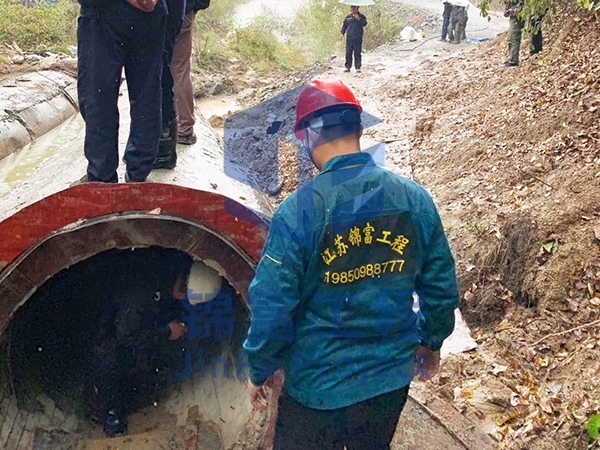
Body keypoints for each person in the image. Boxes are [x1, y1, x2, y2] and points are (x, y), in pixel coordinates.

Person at [243, 78, 459, 450]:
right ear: (359, 128)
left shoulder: (298, 212)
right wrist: (431, 342)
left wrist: (259, 368)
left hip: (317, 389)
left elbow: (272, 305)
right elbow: (440, 288)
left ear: (308, 137)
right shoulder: (414, 199)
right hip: (388, 383)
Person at [90, 250, 191, 436]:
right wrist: (167, 332)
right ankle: (110, 413)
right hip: (110, 339)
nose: (183, 294)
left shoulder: (166, 281)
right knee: (111, 363)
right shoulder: (140, 293)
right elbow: (127, 336)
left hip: (134, 327)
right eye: (183, 287)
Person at [77, 0, 167, 182]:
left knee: (98, 96)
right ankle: (138, 173)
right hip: (148, 13)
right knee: (146, 94)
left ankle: (102, 179)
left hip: (103, 13)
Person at [171, 0, 211, 146]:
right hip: (182, 11)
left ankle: (159, 128)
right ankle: (184, 129)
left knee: (152, 67)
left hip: (149, 11)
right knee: (179, 68)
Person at [152, 0, 186, 170]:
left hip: (164, 11)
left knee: (160, 73)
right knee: (161, 72)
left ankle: (164, 149)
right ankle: (161, 147)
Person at [340, 6, 367, 73]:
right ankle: (348, 67)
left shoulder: (361, 16)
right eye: (351, 8)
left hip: (358, 37)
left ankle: (357, 67)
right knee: (348, 52)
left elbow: (364, 23)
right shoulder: (348, 17)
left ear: (357, 8)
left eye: (354, 8)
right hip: (349, 37)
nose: (352, 9)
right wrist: (342, 33)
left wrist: (358, 18)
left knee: (357, 52)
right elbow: (344, 25)